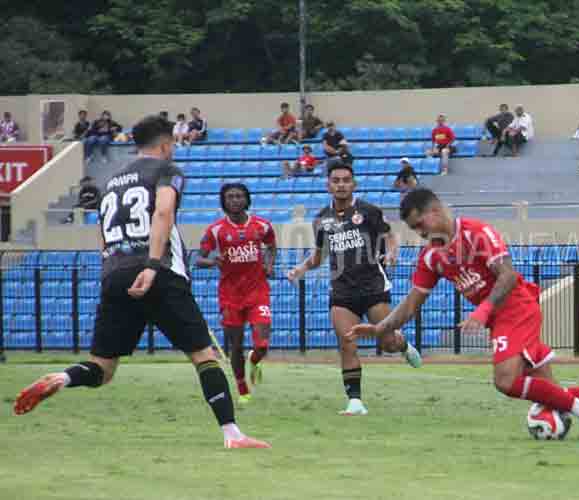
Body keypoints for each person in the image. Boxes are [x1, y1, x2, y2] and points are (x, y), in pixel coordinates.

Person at [12, 114, 269, 449]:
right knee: (204, 357)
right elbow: (163, 212)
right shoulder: (166, 170)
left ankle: (62, 378)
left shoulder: (112, 180)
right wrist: (151, 264)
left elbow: (102, 231)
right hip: (158, 273)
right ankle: (232, 434)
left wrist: (113, 267)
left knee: (102, 369)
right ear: (165, 144)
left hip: (114, 272)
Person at [350, 188, 579, 441]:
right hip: (502, 317)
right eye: (415, 230)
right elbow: (411, 304)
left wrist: (483, 311)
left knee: (506, 380)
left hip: (516, 306)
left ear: (435, 211)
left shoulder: (477, 233)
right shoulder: (431, 257)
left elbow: (508, 276)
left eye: (420, 225)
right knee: (552, 393)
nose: (419, 233)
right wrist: (380, 329)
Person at [287, 160, 422, 416]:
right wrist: (300, 270)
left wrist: (392, 252)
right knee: (347, 341)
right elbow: (319, 256)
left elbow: (389, 235)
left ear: (354, 184)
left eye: (345, 180)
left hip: (373, 288)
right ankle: (355, 401)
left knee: (388, 342)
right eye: (336, 180)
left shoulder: (369, 211)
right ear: (328, 185)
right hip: (342, 292)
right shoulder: (321, 220)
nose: (341, 185)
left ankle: (403, 346)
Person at [197, 184, 276, 405]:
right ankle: (242, 387)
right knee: (236, 344)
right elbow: (198, 258)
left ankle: (255, 359)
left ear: (246, 200)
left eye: (239, 196)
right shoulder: (216, 230)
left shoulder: (262, 225)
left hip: (258, 291)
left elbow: (271, 246)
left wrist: (269, 265)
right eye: (230, 197)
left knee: (262, 344)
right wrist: (212, 260)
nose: (234, 200)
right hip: (230, 295)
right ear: (223, 201)